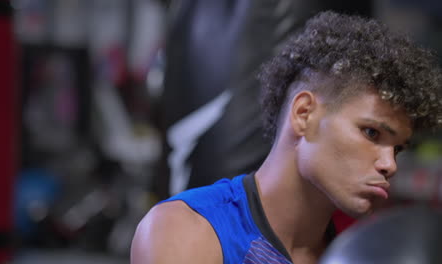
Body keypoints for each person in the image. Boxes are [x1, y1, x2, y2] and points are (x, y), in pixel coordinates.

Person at [130, 11, 442, 264]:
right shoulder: (187, 230)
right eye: (371, 132)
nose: (390, 165)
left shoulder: (359, 250)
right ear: (304, 114)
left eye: (398, 149)